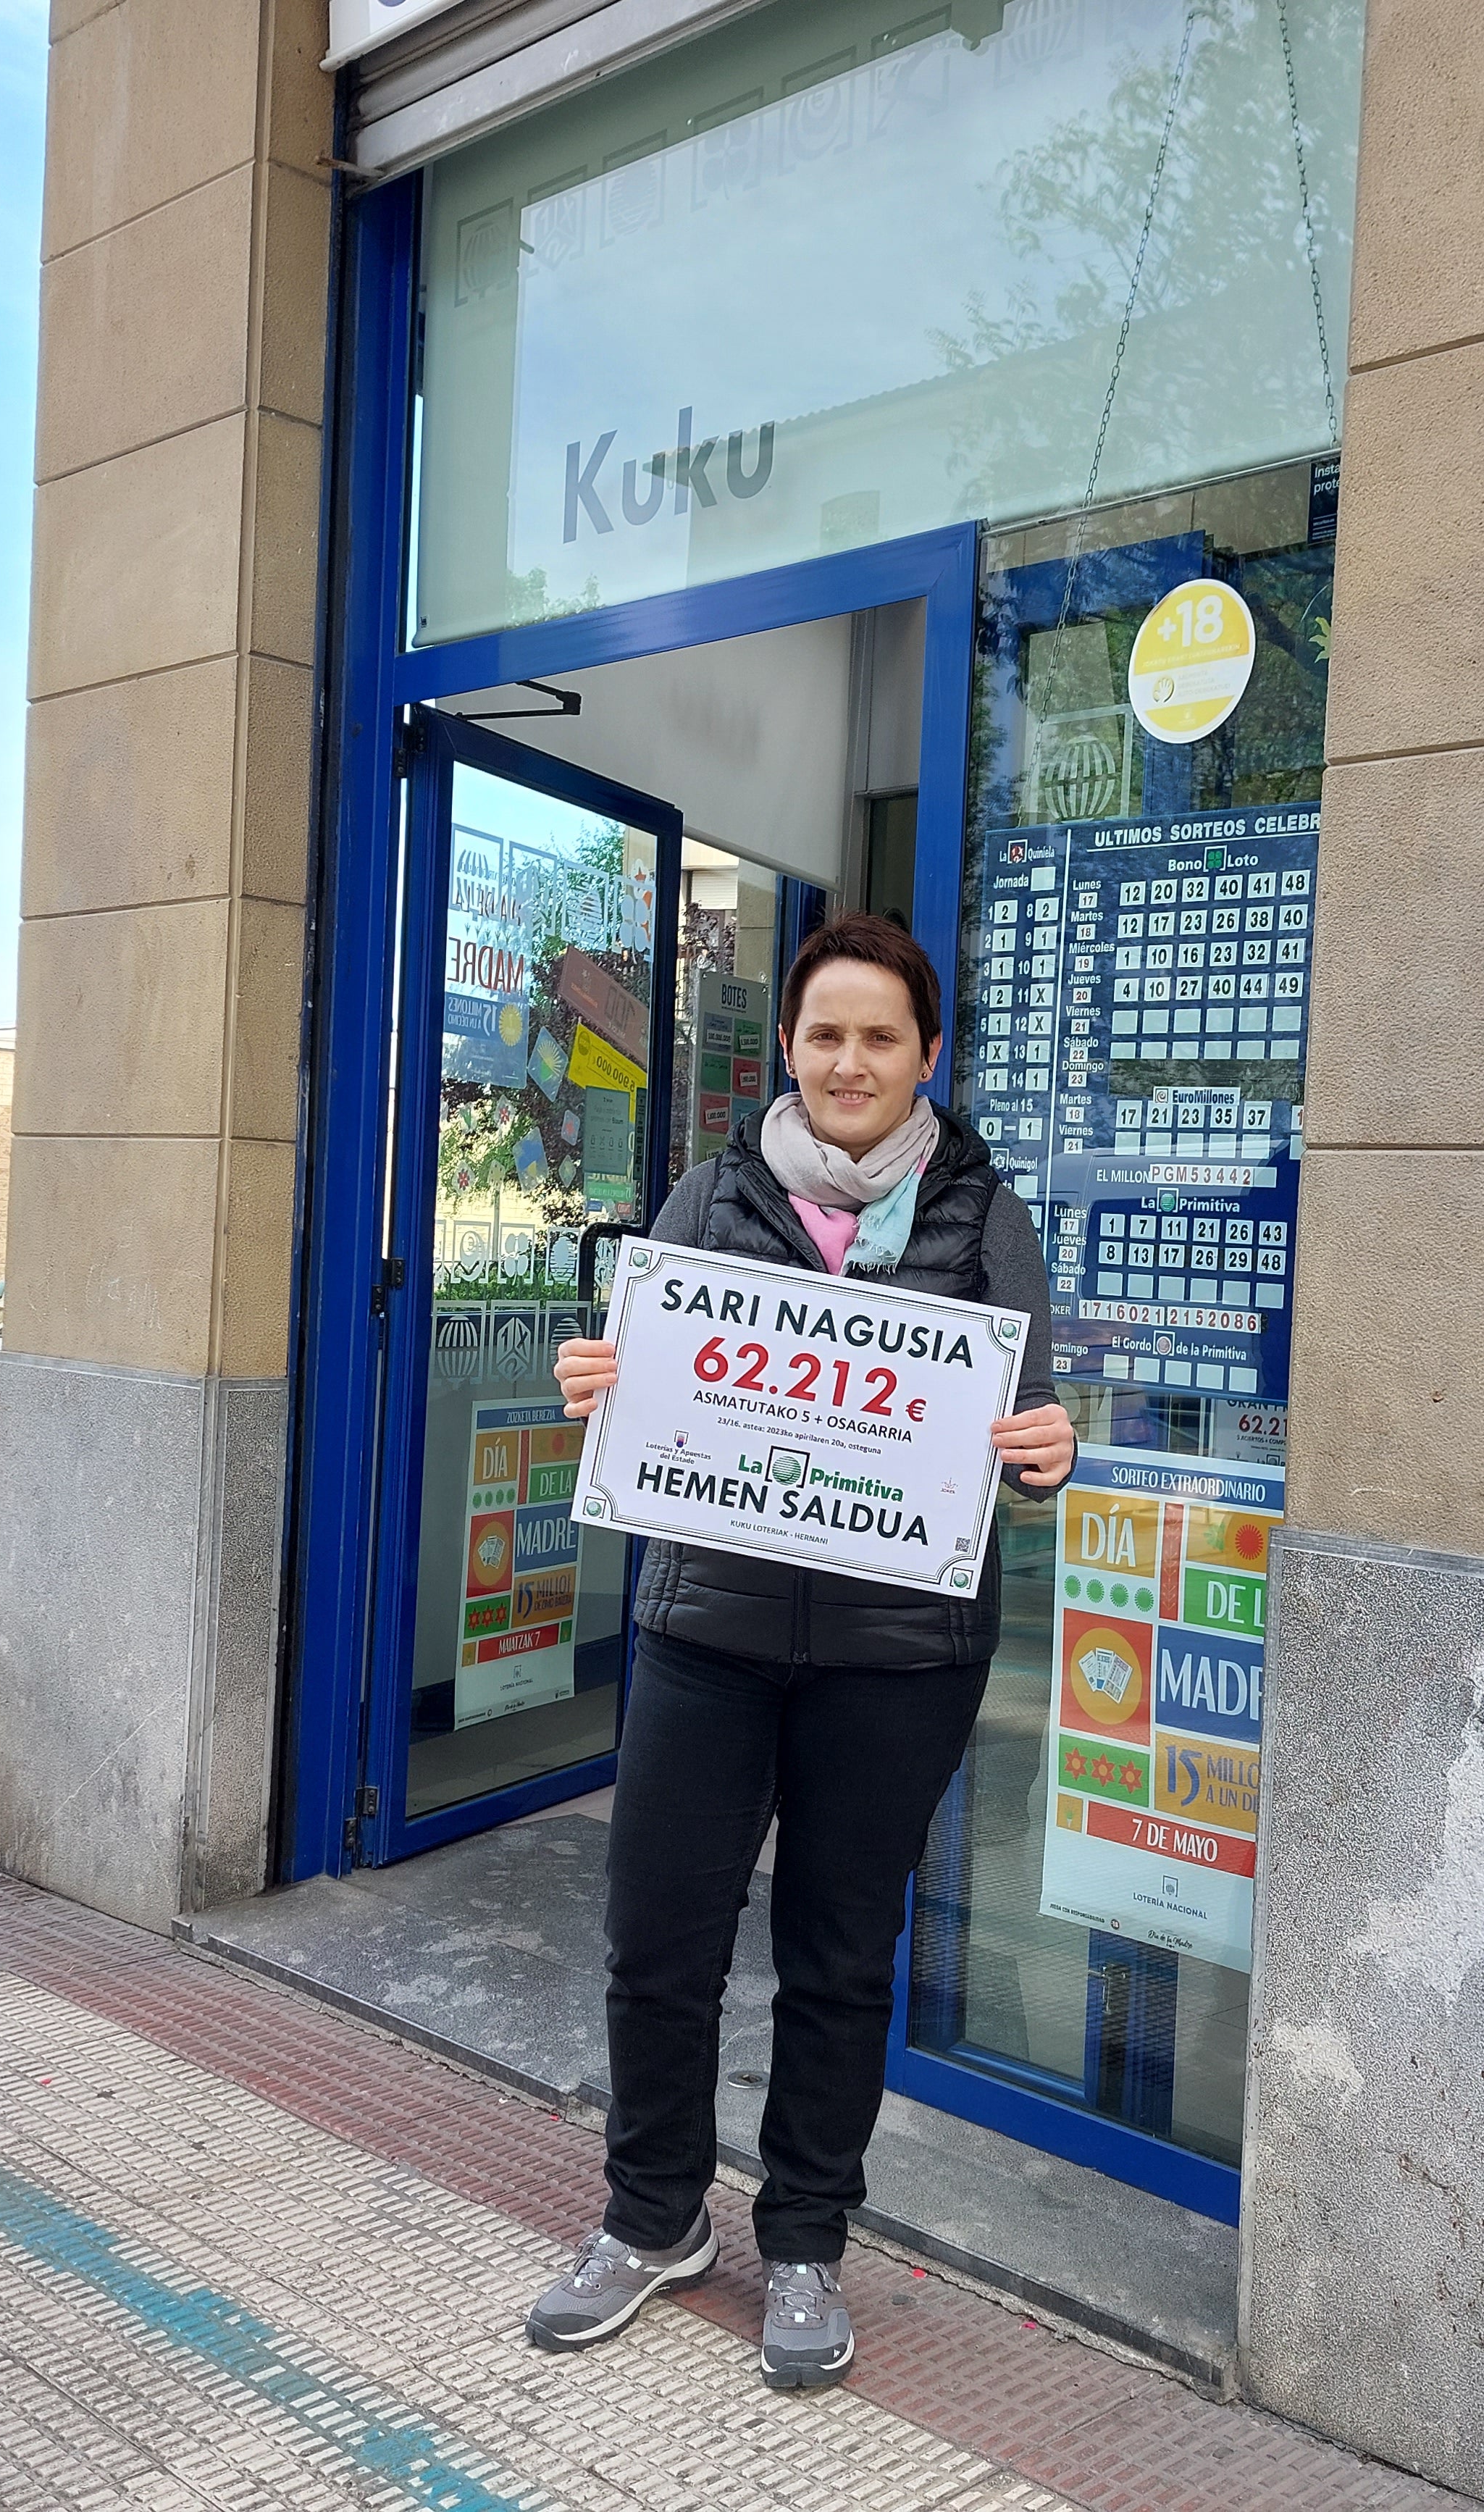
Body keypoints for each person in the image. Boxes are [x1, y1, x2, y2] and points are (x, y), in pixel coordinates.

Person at [524, 910, 1075, 2390]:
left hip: (900, 1660)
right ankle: (651, 2221)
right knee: (659, 1948)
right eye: (823, 1034)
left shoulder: (984, 1219)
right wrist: (597, 1375)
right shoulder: (706, 1200)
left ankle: (806, 2241)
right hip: (708, 1629)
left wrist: (1046, 1448)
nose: (848, 1062)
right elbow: (649, 1391)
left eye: (878, 1037)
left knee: (840, 1961)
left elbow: (1026, 1429)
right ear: (787, 1046)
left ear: (924, 1056)